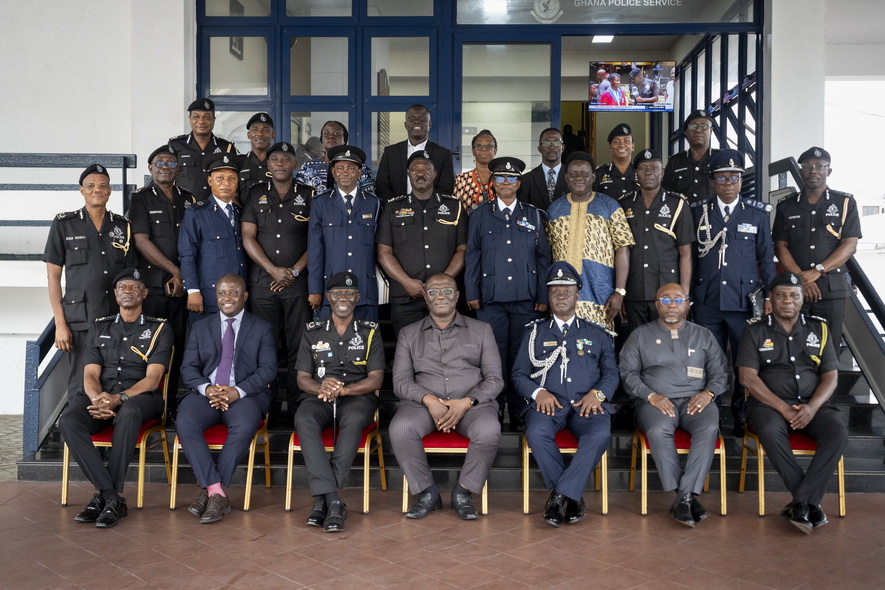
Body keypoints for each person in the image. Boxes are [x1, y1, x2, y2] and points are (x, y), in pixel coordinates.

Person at [58, 268, 172, 528]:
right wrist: (98, 399)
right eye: (122, 287)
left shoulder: (160, 329)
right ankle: (110, 497)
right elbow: (89, 374)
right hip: (102, 396)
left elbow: (153, 379)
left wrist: (118, 398)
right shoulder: (100, 327)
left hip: (140, 397)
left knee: (130, 413)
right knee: (68, 421)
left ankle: (105, 497)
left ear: (144, 293)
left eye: (134, 287)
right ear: (115, 294)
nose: (127, 291)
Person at [736, 272, 848, 534]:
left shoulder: (819, 329)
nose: (788, 300)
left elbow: (831, 376)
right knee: (770, 430)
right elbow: (747, 378)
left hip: (813, 404)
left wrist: (812, 407)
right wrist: (783, 408)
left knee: (838, 433)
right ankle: (810, 503)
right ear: (771, 300)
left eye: (794, 295)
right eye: (781, 295)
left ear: (802, 300)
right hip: (768, 406)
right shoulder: (754, 330)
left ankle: (802, 503)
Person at [512, 262, 618, 527]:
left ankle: (560, 496)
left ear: (577, 294)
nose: (561, 295)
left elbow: (612, 373)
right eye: (555, 291)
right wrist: (538, 393)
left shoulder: (597, 333)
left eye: (566, 290)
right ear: (548, 296)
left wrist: (599, 395)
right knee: (536, 432)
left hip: (588, 406)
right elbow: (518, 375)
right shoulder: (534, 333)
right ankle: (572, 497)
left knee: (600, 433)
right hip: (549, 407)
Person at [390, 273, 503, 520]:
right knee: (400, 428)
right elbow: (400, 382)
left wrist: (467, 402)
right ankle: (427, 492)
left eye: (447, 291)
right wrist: (429, 400)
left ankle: (463, 492)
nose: (440, 296)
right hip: (423, 406)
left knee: (488, 430)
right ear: (425, 298)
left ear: (457, 296)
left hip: (471, 406)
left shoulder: (482, 330)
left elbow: (495, 379)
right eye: (433, 291)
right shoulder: (409, 334)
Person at [620, 283, 728, 527]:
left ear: (687, 305)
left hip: (697, 400)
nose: (671, 304)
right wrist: (650, 396)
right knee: (658, 430)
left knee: (709, 429)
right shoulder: (640, 335)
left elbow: (721, 373)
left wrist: (708, 393)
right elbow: (627, 373)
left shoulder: (703, 335)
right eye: (665, 299)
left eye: (678, 300)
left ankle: (684, 497)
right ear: (657, 304)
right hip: (656, 403)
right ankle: (686, 496)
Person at [176, 274, 276, 524]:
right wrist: (207, 388)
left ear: (245, 296)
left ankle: (209, 491)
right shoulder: (201, 327)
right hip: (206, 395)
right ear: (216, 297)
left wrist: (237, 391)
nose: (227, 298)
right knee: (185, 422)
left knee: (243, 426)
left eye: (233, 292)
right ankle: (216, 491)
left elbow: (268, 369)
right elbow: (188, 368)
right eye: (222, 293)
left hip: (245, 396)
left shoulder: (261, 327)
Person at [691, 149, 776, 435]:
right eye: (722, 178)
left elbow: (765, 258)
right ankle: (706, 415)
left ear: (741, 181)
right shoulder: (698, 212)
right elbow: (689, 256)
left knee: (744, 362)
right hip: (707, 301)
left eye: (734, 177)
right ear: (713, 181)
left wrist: (769, 297)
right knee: (706, 360)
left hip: (743, 301)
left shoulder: (758, 213)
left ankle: (740, 414)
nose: (728, 183)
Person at [293, 271, 385, 532]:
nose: (342, 298)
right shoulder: (312, 332)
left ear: (357, 297)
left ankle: (323, 501)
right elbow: (302, 379)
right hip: (319, 396)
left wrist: (345, 391)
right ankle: (333, 500)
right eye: (336, 293)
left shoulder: (370, 332)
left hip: (357, 398)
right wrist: (321, 386)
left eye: (348, 293)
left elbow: (376, 379)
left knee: (354, 419)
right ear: (328, 298)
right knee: (303, 417)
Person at [465, 156, 551, 430]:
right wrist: (471, 291)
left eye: (511, 178)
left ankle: (518, 408)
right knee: (493, 357)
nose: (505, 183)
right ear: (493, 183)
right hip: (491, 299)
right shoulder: (479, 214)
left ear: (519, 183)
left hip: (526, 299)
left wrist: (542, 295)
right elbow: (473, 256)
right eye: (500, 178)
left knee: (522, 355)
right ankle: (494, 407)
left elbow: (543, 258)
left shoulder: (534, 215)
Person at [43, 164, 137, 400]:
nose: (98, 190)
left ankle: (110, 427)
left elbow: (131, 274)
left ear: (110, 191)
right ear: (81, 191)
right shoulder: (65, 223)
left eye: (103, 186)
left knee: (116, 374)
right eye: (91, 186)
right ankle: (79, 430)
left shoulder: (122, 226)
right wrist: (60, 324)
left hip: (116, 316)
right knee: (79, 380)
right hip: (81, 317)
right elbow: (53, 278)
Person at [241, 141, 313, 403]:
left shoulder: (310, 194)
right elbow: (248, 237)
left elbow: (316, 239)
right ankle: (265, 405)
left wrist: (293, 271)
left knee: (298, 345)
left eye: (286, 159)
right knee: (265, 346)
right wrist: (272, 270)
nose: (280, 163)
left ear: (295, 164)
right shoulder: (254, 193)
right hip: (262, 283)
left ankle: (297, 406)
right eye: (275, 159)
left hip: (298, 284)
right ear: (268, 165)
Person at [772, 147, 861, 359]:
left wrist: (817, 271)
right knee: (793, 348)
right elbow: (780, 245)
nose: (814, 170)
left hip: (831, 290)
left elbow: (850, 245)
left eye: (820, 166)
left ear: (829, 171)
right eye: (808, 166)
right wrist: (803, 279)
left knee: (828, 350)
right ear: (802, 171)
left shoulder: (845, 203)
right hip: (794, 291)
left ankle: (827, 393)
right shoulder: (786, 206)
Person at [128, 145, 197, 405]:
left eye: (170, 163)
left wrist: (184, 278)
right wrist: (175, 271)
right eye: (160, 162)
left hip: (184, 287)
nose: (165, 167)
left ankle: (171, 401)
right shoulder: (141, 198)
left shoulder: (188, 199)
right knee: (153, 347)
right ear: (150, 168)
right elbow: (141, 241)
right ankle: (151, 402)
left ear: (178, 169)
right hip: (155, 286)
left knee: (179, 346)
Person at [376, 151, 467, 334]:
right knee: (408, 351)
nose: (420, 173)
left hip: (445, 298)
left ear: (435, 174)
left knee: (447, 350)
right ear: (408, 174)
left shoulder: (454, 207)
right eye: (414, 169)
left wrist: (441, 284)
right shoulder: (393, 208)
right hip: (405, 296)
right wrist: (407, 282)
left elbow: (463, 249)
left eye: (426, 169)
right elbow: (383, 252)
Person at [546, 151, 634, 329]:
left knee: (600, 346)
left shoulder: (609, 206)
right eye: (573, 174)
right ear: (566, 178)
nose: (579, 178)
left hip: (601, 294)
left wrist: (619, 292)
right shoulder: (554, 210)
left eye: (585, 173)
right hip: (562, 295)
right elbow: (546, 253)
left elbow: (623, 248)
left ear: (593, 177)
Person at [619, 149, 694, 336]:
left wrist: (683, 296)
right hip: (634, 290)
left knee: (668, 342)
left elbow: (685, 253)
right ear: (635, 173)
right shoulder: (624, 205)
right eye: (643, 168)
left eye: (653, 168)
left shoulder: (677, 204)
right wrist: (619, 291)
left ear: (662, 172)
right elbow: (619, 250)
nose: (648, 172)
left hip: (667, 294)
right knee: (636, 342)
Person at [308, 145, 382, 321]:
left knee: (366, 342)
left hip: (365, 289)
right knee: (330, 343)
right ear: (333, 172)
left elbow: (381, 249)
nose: (345, 172)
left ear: (359, 172)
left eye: (351, 168)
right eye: (340, 168)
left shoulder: (374, 204)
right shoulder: (321, 203)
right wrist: (315, 290)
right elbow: (315, 250)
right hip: (330, 291)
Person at [178, 153, 248, 322]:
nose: (226, 183)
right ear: (210, 180)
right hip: (209, 296)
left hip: (239, 299)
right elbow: (187, 255)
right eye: (220, 178)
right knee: (206, 345)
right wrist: (192, 291)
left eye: (232, 178)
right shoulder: (197, 213)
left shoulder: (241, 214)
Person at [375, 104, 454, 201]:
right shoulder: (390, 152)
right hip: (396, 212)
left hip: (431, 212)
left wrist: (428, 208)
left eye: (422, 118)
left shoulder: (443, 153)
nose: (417, 121)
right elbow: (382, 186)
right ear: (405, 124)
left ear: (429, 124)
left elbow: (446, 187)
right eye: (411, 118)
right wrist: (396, 207)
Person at [168, 98, 237, 200]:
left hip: (215, 209)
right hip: (185, 207)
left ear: (214, 120)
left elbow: (234, 180)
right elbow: (166, 177)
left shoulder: (226, 147)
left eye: (207, 117)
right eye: (196, 116)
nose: (201, 121)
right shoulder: (176, 145)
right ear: (189, 118)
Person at [295, 120, 375, 195]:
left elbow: (369, 197)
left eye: (337, 133)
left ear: (344, 139)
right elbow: (298, 195)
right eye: (326, 134)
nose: (331, 136)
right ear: (321, 139)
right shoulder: (308, 166)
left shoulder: (358, 166)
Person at [663, 110, 720, 205]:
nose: (698, 130)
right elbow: (666, 195)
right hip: (683, 218)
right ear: (686, 132)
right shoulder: (675, 162)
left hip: (713, 217)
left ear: (711, 131)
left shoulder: (720, 159)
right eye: (693, 126)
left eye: (704, 126)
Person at [517, 127, 568, 211]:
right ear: (539, 149)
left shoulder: (573, 177)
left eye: (556, 142)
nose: (552, 147)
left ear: (563, 148)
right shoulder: (527, 179)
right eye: (546, 143)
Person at [453, 129, 497, 212]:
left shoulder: (502, 179)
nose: (484, 149)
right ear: (473, 151)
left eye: (489, 146)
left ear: (495, 150)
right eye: (479, 146)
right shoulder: (461, 179)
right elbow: (456, 210)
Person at [593, 123, 638, 199]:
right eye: (616, 142)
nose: (622, 145)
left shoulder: (641, 173)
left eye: (626, 141)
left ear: (633, 146)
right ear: (610, 147)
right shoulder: (599, 174)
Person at [238, 112, 275, 198]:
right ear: (248, 135)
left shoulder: (279, 164)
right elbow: (233, 196)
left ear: (273, 135)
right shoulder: (239, 163)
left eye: (266, 130)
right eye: (255, 129)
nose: (260, 133)